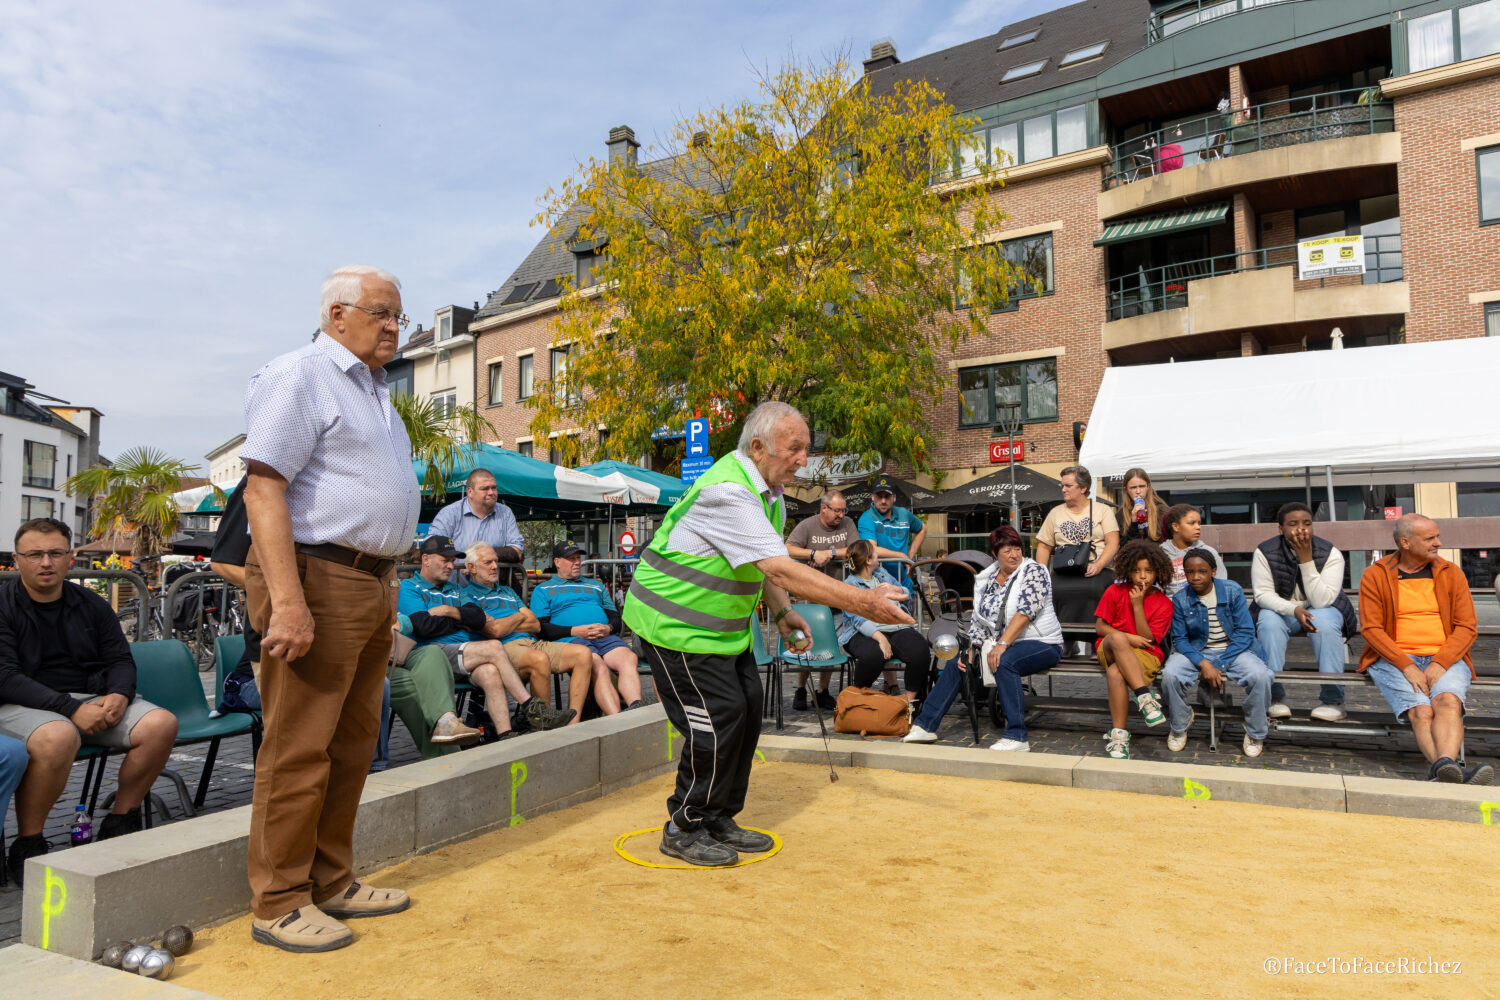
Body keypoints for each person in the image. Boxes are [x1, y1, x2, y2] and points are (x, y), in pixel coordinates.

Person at [623, 401, 911, 867]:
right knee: (717, 721)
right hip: (674, 628)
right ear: (757, 447)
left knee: (749, 710)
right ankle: (684, 825)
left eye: (806, 448)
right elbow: (780, 566)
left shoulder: (768, 493)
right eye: (794, 448)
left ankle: (718, 816)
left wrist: (782, 613)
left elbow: (761, 566)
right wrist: (863, 601)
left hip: (719, 631)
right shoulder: (728, 491)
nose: (803, 458)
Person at [239, 265, 423, 952]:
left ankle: (330, 878)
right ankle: (279, 899)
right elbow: (264, 490)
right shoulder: (300, 374)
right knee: (298, 746)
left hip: (371, 579)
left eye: (398, 315)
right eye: (381, 313)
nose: (393, 327)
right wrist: (288, 602)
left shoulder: (374, 390)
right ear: (337, 313)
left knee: (351, 743)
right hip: (317, 575)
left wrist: (388, 581)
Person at [0, 517, 178, 887]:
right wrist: (70, 709)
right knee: (59, 736)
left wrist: (118, 695)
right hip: (19, 703)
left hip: (89, 698)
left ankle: (119, 820)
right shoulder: (3, 604)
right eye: (35, 554)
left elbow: (120, 659)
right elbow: (5, 675)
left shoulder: (91, 604)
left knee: (161, 724)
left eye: (55, 553)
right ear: (17, 560)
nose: (46, 562)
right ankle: (28, 842)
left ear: (70, 557)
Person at [1358, 515, 1491, 785]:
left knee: (1448, 702)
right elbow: (1372, 629)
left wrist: (1440, 662)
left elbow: (1466, 626)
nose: (1438, 543)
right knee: (1421, 710)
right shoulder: (1376, 574)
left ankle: (1441, 769)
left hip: (1445, 657)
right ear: (1405, 542)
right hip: (1394, 659)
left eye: (1437, 536)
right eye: (1430, 538)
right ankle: (1449, 769)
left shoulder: (1451, 573)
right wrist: (1405, 665)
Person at [904, 526, 1062, 750]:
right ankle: (925, 726)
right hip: (1003, 644)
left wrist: (1002, 644)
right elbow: (979, 620)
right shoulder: (986, 579)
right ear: (995, 553)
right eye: (1007, 550)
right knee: (958, 662)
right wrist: (972, 648)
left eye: (1017, 548)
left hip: (1043, 643)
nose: (1014, 554)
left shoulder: (1034, 571)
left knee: (1005, 662)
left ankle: (1017, 736)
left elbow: (1025, 613)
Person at [396, 536, 562, 749]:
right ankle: (532, 707)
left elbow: (477, 618)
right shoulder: (410, 587)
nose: (450, 565)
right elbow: (423, 627)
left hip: (462, 653)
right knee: (493, 647)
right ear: (426, 559)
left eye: (452, 560)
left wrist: (448, 611)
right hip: (432, 655)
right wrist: (461, 621)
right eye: (444, 560)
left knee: (490, 672)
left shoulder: (454, 589)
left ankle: (505, 737)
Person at [460, 542, 589, 726]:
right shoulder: (468, 596)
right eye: (488, 562)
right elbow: (493, 631)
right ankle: (542, 726)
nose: (495, 566)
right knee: (539, 659)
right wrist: (518, 616)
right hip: (502, 648)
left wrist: (506, 622)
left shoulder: (507, 591)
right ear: (471, 567)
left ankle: (572, 724)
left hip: (530, 641)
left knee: (582, 654)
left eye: (496, 561)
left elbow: (535, 624)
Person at [1251, 502, 1357, 722]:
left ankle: (1333, 700)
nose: (1301, 529)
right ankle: (1274, 697)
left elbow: (1323, 600)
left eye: (1307, 523)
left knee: (1326, 621)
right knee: (1268, 620)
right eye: (1293, 524)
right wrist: (1294, 609)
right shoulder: (1264, 551)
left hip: (1322, 609)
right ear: (1280, 529)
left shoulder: (1330, 553)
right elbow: (1262, 595)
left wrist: (1306, 559)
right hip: (1284, 611)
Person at [1162, 548, 1274, 757]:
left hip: (1234, 650)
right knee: (1170, 675)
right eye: (1190, 572)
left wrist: (1219, 665)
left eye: (1202, 571)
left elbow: (1245, 632)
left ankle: (1255, 731)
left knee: (1261, 676)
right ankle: (1180, 724)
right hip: (1196, 651)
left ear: (1213, 571)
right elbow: (1180, 639)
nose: (1195, 577)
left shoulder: (1232, 591)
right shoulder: (1180, 599)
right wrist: (1204, 664)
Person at [531, 541, 646, 712]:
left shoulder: (596, 585)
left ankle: (636, 707)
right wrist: (574, 631)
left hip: (603, 636)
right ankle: (617, 718)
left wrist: (609, 628)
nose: (577, 562)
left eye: (578, 558)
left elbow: (615, 617)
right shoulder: (543, 589)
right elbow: (540, 627)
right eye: (571, 559)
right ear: (557, 562)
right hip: (571, 640)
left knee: (629, 658)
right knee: (596, 664)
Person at [1094, 539, 1174, 760]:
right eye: (1137, 570)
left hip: (1145, 655)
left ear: (1158, 572)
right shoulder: (1114, 591)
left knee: (1115, 673)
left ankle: (1119, 737)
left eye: (1148, 571)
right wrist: (1128, 637)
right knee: (1118, 638)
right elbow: (1101, 627)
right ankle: (1144, 698)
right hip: (1109, 648)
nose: (1142, 576)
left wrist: (1138, 605)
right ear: (1127, 570)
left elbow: (1148, 639)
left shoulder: (1164, 603)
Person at [784, 490, 860, 710]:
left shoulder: (847, 524)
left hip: (837, 595)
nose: (841, 515)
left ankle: (822, 691)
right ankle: (801, 688)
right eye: (837, 510)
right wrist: (811, 554)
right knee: (807, 643)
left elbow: (856, 549)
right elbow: (788, 548)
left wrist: (830, 553)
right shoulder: (807, 525)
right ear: (823, 508)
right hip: (811, 599)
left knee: (831, 645)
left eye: (844, 510)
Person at [1035, 465, 1119, 656]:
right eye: (1062, 485)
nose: (1063, 489)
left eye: (1068, 485)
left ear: (1082, 488)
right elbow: (1044, 546)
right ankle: (1066, 638)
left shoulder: (1102, 510)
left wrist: (1099, 565)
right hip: (1064, 569)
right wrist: (1043, 574)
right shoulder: (1056, 513)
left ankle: (1097, 640)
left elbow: (1113, 543)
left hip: (1096, 566)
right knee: (1054, 590)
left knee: (1095, 589)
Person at [837, 540, 932, 702]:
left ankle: (909, 703)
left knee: (920, 650)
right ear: (868, 560)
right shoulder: (850, 585)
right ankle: (856, 699)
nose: (878, 555)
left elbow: (906, 593)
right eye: (874, 553)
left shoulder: (882, 574)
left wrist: (896, 589)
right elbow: (857, 620)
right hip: (863, 632)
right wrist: (880, 638)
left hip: (897, 626)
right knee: (873, 655)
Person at [427, 469, 523, 565]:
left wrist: (478, 558)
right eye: (484, 488)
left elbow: (517, 551)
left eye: (494, 488)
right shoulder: (449, 514)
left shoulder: (505, 513)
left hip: (494, 580)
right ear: (470, 492)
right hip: (456, 579)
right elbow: (432, 548)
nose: (491, 492)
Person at [858, 476, 926, 599]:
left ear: (894, 498)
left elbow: (922, 528)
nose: (883, 501)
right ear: (873, 497)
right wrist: (902, 556)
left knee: (908, 618)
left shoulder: (904, 514)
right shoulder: (867, 517)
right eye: (879, 496)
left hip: (905, 586)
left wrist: (910, 554)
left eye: (887, 496)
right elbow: (871, 549)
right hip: (879, 587)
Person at [1159, 504, 1226, 596]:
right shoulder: (1160, 554)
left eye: (1199, 523)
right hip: (1170, 606)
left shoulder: (1208, 552)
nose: (1198, 527)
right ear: (1175, 526)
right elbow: (1156, 589)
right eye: (1192, 523)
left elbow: (1222, 584)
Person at [1117, 467, 1168, 543]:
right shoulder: (1121, 515)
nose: (1138, 491)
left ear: (1148, 487)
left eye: (1142, 486)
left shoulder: (1162, 510)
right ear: (1126, 489)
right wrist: (1134, 522)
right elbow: (1122, 547)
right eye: (1133, 487)